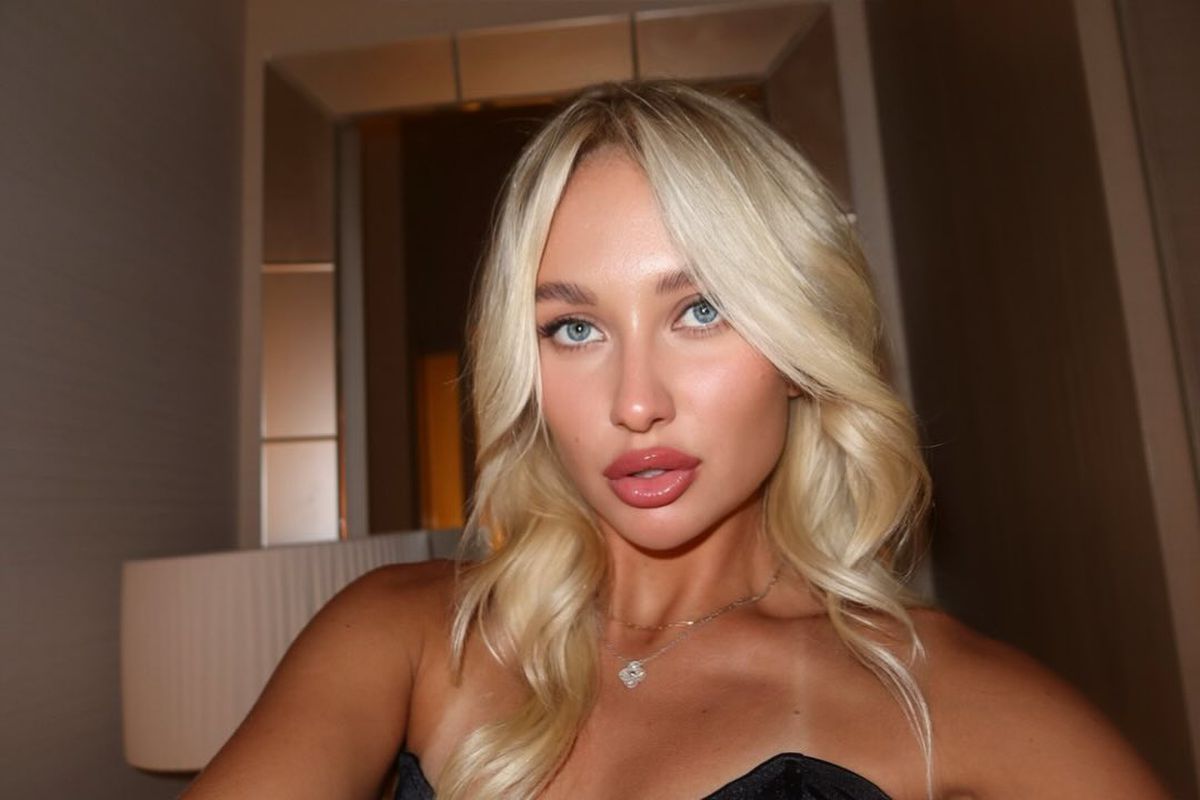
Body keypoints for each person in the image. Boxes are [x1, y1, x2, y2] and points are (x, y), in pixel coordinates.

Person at [184, 82, 1169, 799]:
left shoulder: (959, 705)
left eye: (701, 311)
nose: (636, 403)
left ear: (799, 344)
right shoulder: (398, 636)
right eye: (575, 328)